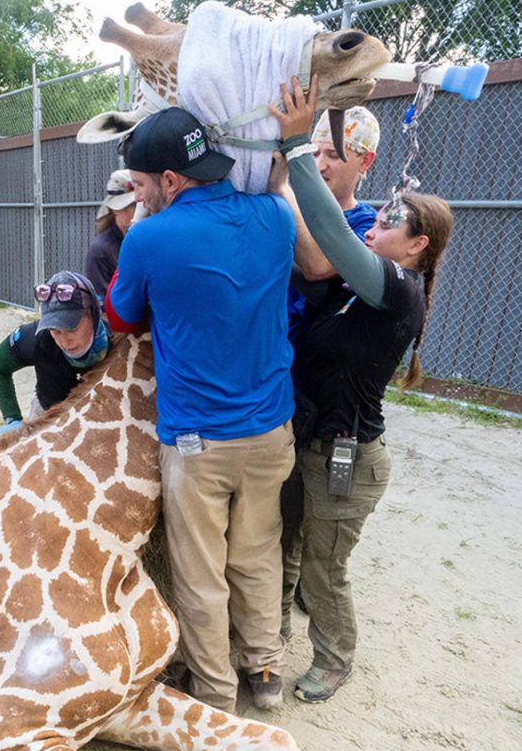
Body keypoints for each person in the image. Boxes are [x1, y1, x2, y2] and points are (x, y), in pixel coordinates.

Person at [107, 106, 297, 712]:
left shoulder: (148, 236)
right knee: (258, 552)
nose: (135, 198)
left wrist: (139, 225)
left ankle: (215, 693)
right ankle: (264, 669)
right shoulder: (273, 216)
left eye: (139, 186)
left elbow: (120, 316)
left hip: (198, 440)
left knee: (200, 570)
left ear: (169, 180)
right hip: (272, 432)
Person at [272, 77, 454, 703]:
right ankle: (272, 637)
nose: (377, 223)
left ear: (419, 245)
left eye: (391, 221)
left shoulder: (399, 290)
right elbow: (313, 261)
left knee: (324, 568)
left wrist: (297, 150)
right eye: (377, 215)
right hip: (306, 438)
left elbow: (335, 246)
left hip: (346, 456)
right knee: (286, 547)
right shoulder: (354, 289)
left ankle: (335, 658)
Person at [276, 106, 381, 639]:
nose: (319, 163)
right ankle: (276, 623)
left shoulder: (369, 230)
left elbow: (318, 269)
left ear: (366, 160)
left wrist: (287, 174)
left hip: (328, 407)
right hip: (282, 390)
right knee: (281, 521)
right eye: (313, 151)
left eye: (333, 155)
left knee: (314, 539)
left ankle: (324, 642)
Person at [0, 270, 109, 444]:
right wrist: (12, 419)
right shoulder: (37, 337)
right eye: (56, 331)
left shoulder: (116, 339)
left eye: (72, 328)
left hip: (100, 417)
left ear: (93, 315)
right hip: (47, 413)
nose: (65, 341)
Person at [83, 169, 138, 299]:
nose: (139, 212)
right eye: (132, 206)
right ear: (115, 209)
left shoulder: (146, 240)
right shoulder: (101, 250)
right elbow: (102, 308)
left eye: (141, 205)